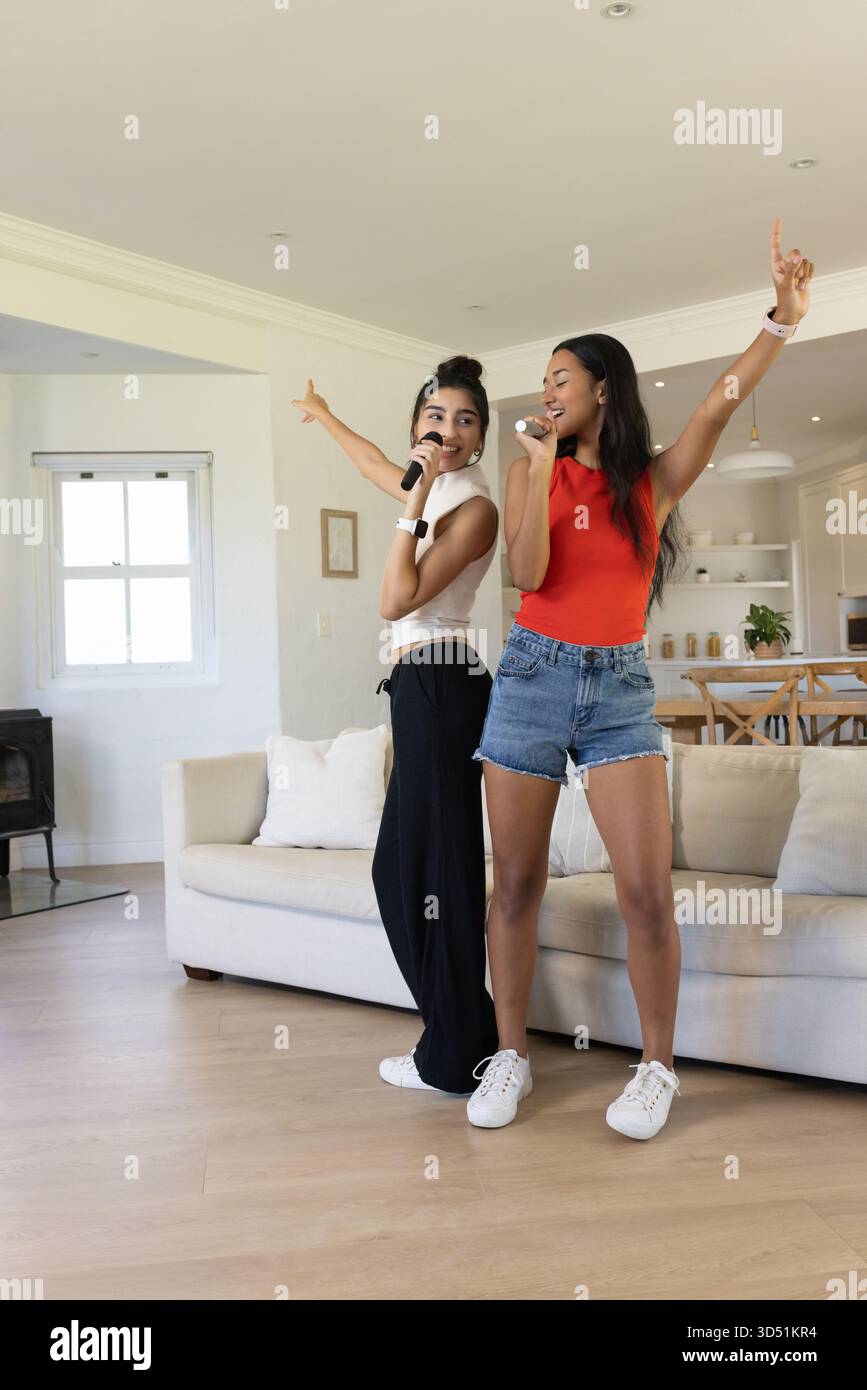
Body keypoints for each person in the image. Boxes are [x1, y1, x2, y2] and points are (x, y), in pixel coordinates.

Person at [467, 220, 814, 1135]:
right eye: (542, 381)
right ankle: (509, 1058)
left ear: (599, 390)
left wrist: (779, 320)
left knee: (645, 893)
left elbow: (713, 404)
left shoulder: (650, 485)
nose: (545, 391)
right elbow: (529, 576)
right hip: (531, 677)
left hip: (619, 687)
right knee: (513, 884)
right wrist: (539, 472)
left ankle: (657, 1069)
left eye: (559, 378)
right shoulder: (525, 469)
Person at [291, 356, 501, 1093]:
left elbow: (394, 596)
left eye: (464, 419)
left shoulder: (471, 506)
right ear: (418, 426)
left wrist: (408, 506)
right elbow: (371, 461)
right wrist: (323, 415)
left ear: (477, 440)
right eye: (435, 416)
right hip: (417, 684)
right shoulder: (428, 484)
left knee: (441, 869)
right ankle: (461, 1034)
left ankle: (456, 1056)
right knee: (394, 873)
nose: (447, 428)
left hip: (446, 681)